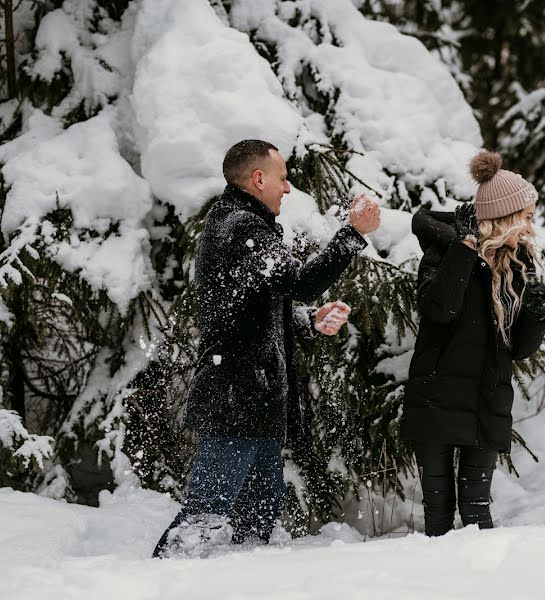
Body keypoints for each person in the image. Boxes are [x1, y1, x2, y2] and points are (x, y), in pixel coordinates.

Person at [153, 139, 380, 558]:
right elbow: (302, 282)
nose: (288, 188)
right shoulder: (240, 226)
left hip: (256, 404)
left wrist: (309, 321)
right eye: (283, 178)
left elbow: (258, 307)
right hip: (234, 399)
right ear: (258, 179)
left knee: (257, 528)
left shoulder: (242, 224)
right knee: (201, 522)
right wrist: (352, 234)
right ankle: (159, 584)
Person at [400, 150, 545, 536]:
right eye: (527, 218)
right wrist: (465, 251)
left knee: (477, 514)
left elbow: (517, 349)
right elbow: (439, 312)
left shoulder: (519, 263)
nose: (531, 229)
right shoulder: (442, 251)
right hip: (435, 399)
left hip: (487, 401)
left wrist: (537, 313)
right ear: (504, 218)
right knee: (437, 515)